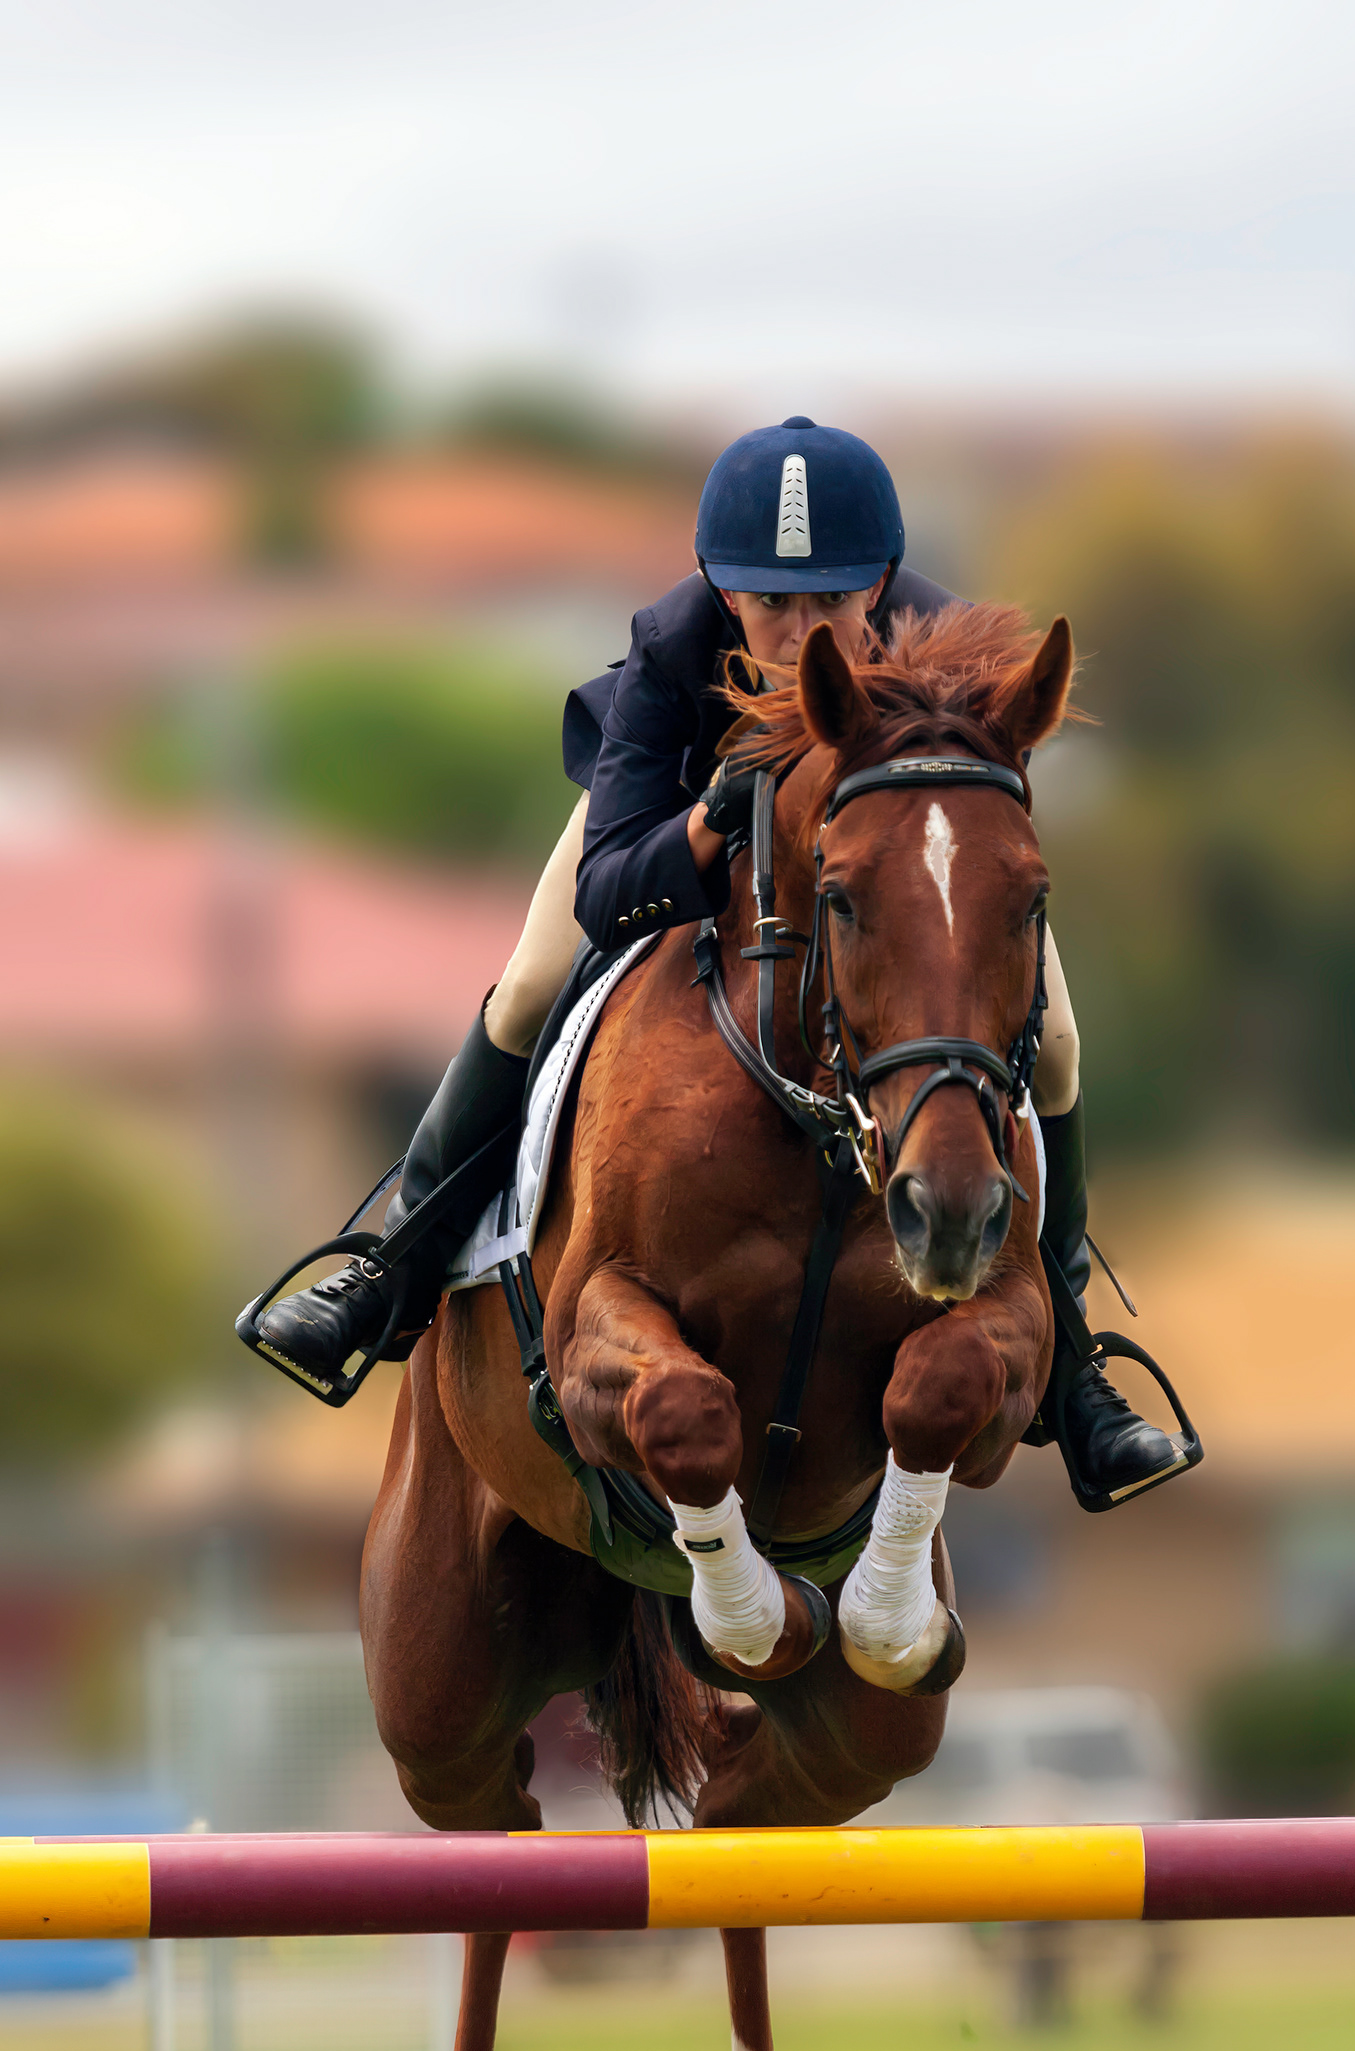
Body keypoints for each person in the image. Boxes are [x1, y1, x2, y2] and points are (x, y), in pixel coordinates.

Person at [244, 417, 1185, 1506]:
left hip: (890, 869)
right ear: (718, 586)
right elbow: (608, 890)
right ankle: (389, 1270)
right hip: (671, 820)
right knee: (533, 984)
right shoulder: (672, 645)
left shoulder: (936, 638)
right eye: (768, 601)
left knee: (1058, 1045)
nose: (796, 632)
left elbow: (973, 820)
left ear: (878, 582)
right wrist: (711, 823)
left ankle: (1073, 1370)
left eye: (827, 601)